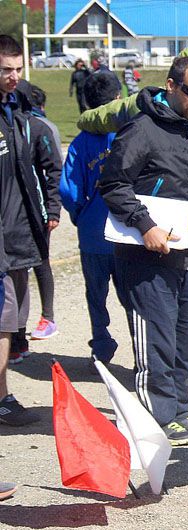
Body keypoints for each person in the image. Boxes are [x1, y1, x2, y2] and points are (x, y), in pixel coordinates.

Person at [98, 56, 188, 445]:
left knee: (184, 335)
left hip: (186, 253)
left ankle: (180, 413)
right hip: (145, 257)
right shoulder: (141, 130)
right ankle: (157, 417)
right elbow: (112, 184)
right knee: (156, 336)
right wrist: (145, 225)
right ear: (170, 86)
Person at [60, 71, 125, 362]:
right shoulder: (128, 132)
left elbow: (69, 191)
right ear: (118, 99)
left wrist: (82, 216)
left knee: (96, 297)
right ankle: (143, 353)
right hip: (126, 232)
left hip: (92, 233)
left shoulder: (80, 143)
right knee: (135, 299)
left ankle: (101, 347)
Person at [0, 35, 45, 425]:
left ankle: (3, 396)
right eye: (6, 70)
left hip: (15, 234)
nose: (14, 77)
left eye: (18, 69)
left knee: (8, 320)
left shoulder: (14, 109)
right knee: (2, 319)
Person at [24, 84, 62, 342]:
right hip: (11, 208)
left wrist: (52, 209)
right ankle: (15, 332)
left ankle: (47, 317)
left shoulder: (41, 128)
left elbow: (53, 171)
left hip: (36, 209)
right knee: (13, 270)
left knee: (40, 261)